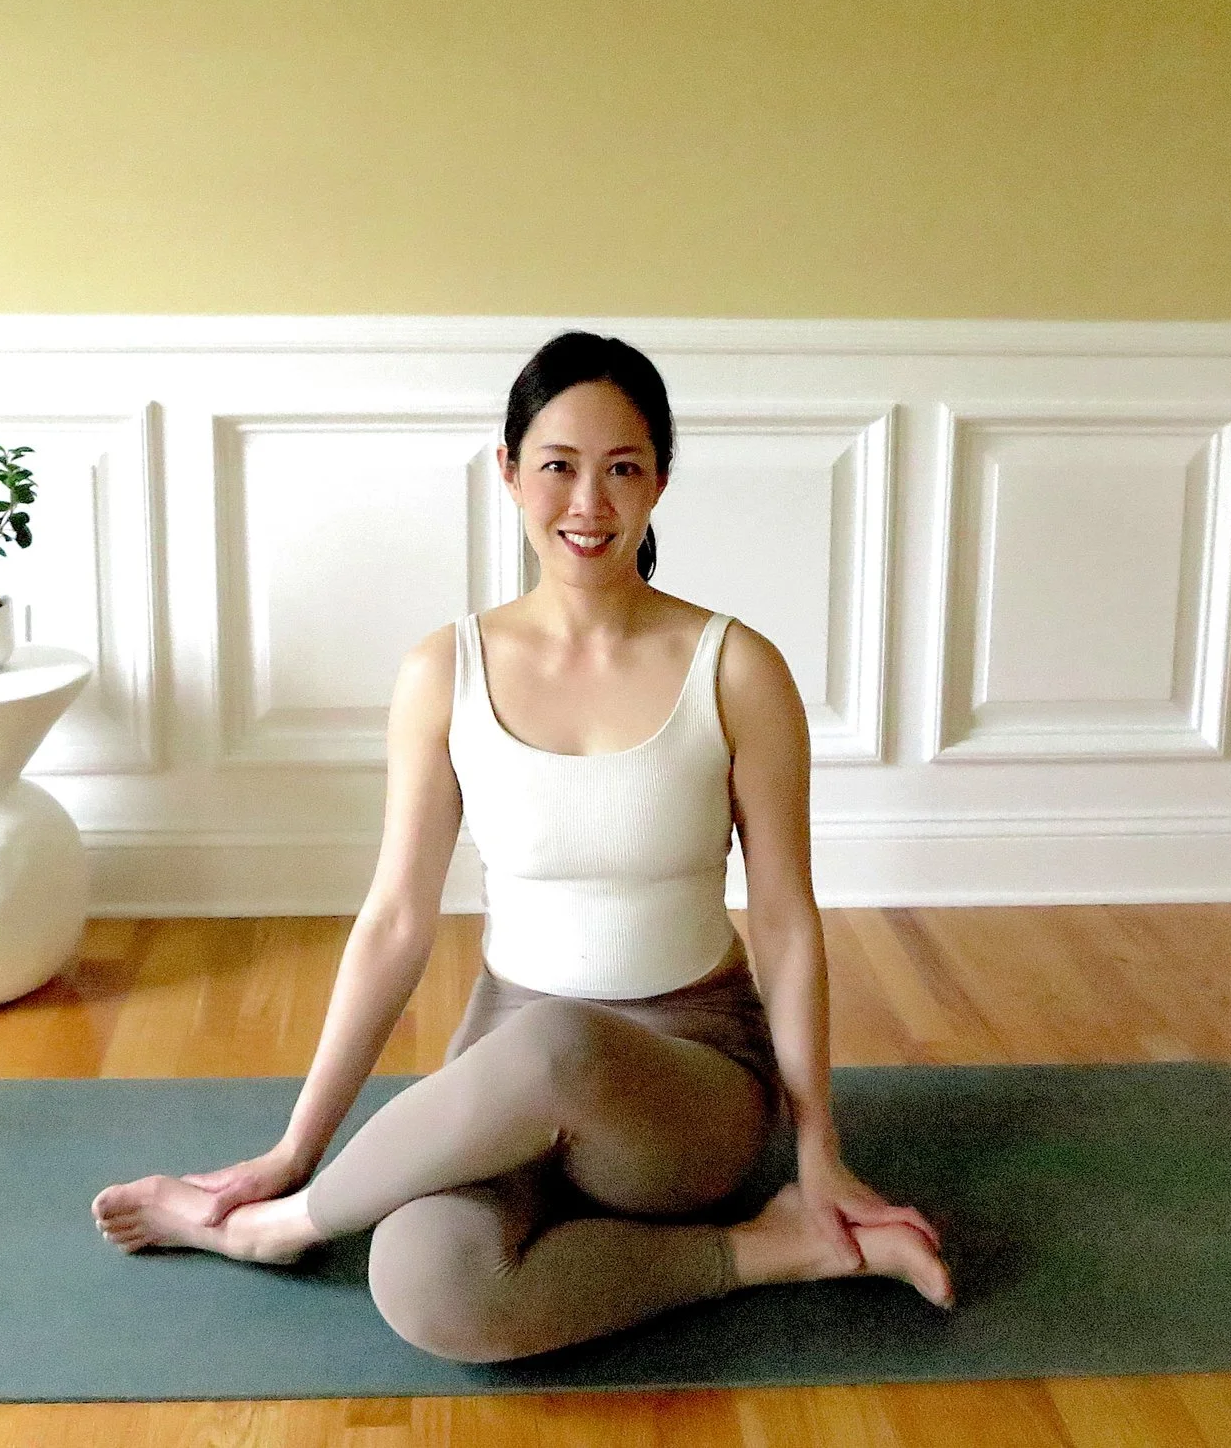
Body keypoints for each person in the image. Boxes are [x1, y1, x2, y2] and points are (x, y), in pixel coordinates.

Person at [91, 331, 952, 1362]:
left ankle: (272, 1233)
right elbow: (396, 923)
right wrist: (292, 1147)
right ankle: (770, 1252)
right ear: (507, 471)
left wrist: (818, 1149)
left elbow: (785, 922)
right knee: (428, 1283)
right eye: (557, 466)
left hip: (685, 1090)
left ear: (660, 481)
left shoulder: (734, 669)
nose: (589, 503)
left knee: (558, 1045)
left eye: (622, 469)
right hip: (508, 1059)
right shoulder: (443, 672)